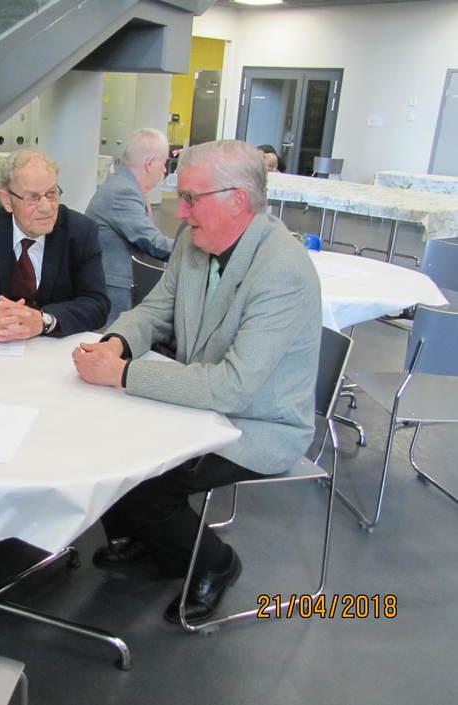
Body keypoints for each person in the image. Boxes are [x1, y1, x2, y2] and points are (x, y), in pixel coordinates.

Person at [72, 139, 321, 625]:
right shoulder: (196, 239)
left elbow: (233, 389)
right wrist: (116, 343)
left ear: (238, 200)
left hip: (258, 423)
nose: (181, 212)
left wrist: (122, 373)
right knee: (107, 444)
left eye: (190, 198)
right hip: (201, 400)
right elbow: (156, 309)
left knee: (149, 481)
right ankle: (153, 542)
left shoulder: (283, 271)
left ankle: (215, 563)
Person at [0, 149, 109, 338]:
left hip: (54, 347)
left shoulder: (81, 232)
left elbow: (97, 304)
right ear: (7, 200)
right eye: (33, 197)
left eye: (51, 193)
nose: (46, 207)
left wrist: (44, 321)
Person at [85, 128, 176, 325]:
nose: (164, 170)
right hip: (117, 291)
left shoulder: (126, 186)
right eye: (163, 163)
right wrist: (192, 250)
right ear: (150, 163)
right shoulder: (123, 192)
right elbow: (150, 241)